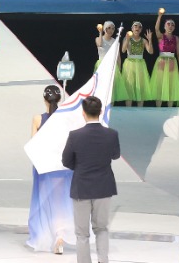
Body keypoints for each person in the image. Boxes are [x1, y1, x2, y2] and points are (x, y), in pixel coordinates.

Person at [61, 96, 120, 263]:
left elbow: (66, 161)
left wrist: (80, 168)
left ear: (83, 113)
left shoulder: (75, 136)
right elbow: (115, 155)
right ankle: (103, 260)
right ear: (101, 112)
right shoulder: (111, 134)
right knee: (101, 228)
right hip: (103, 187)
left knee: (82, 233)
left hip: (82, 187)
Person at [27, 85, 74, 255]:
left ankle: (45, 237)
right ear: (59, 99)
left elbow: (34, 144)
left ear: (44, 99)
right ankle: (59, 237)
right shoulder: (66, 119)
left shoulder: (37, 119)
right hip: (62, 168)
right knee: (61, 202)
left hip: (44, 168)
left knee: (44, 202)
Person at [152, 10, 179, 107]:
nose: (170, 26)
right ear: (165, 26)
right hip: (162, 61)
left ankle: (170, 108)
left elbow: (178, 53)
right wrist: (159, 16)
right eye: (168, 24)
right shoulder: (161, 36)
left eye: (172, 25)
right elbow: (156, 29)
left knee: (171, 86)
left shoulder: (176, 38)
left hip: (172, 62)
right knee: (160, 85)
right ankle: (158, 108)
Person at [120, 21, 154, 107]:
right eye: (135, 26)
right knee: (129, 86)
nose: (137, 28)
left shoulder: (143, 40)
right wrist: (127, 39)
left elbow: (150, 52)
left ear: (141, 29)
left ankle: (140, 110)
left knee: (141, 87)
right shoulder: (127, 38)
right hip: (129, 64)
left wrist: (150, 40)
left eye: (139, 27)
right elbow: (123, 50)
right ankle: (128, 110)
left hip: (140, 65)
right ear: (132, 28)